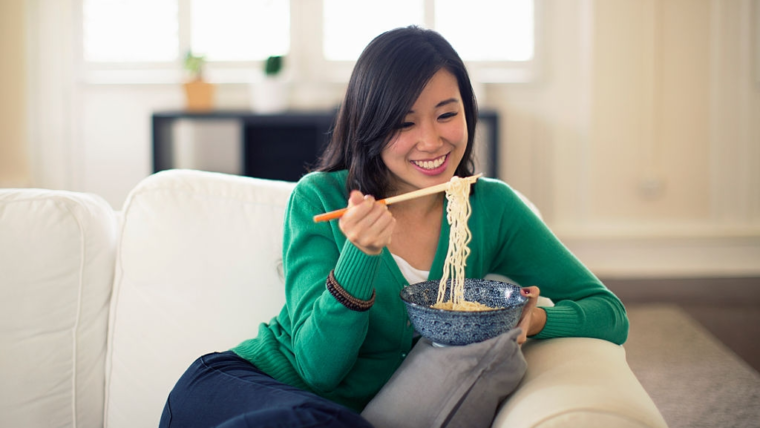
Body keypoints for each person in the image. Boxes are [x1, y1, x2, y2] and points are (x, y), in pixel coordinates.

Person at [159, 26, 629, 428]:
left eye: (447, 114)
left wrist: (537, 318)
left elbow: (608, 313)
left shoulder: (490, 207)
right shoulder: (320, 198)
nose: (432, 140)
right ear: (369, 127)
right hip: (239, 386)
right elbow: (319, 371)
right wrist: (359, 256)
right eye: (404, 123)